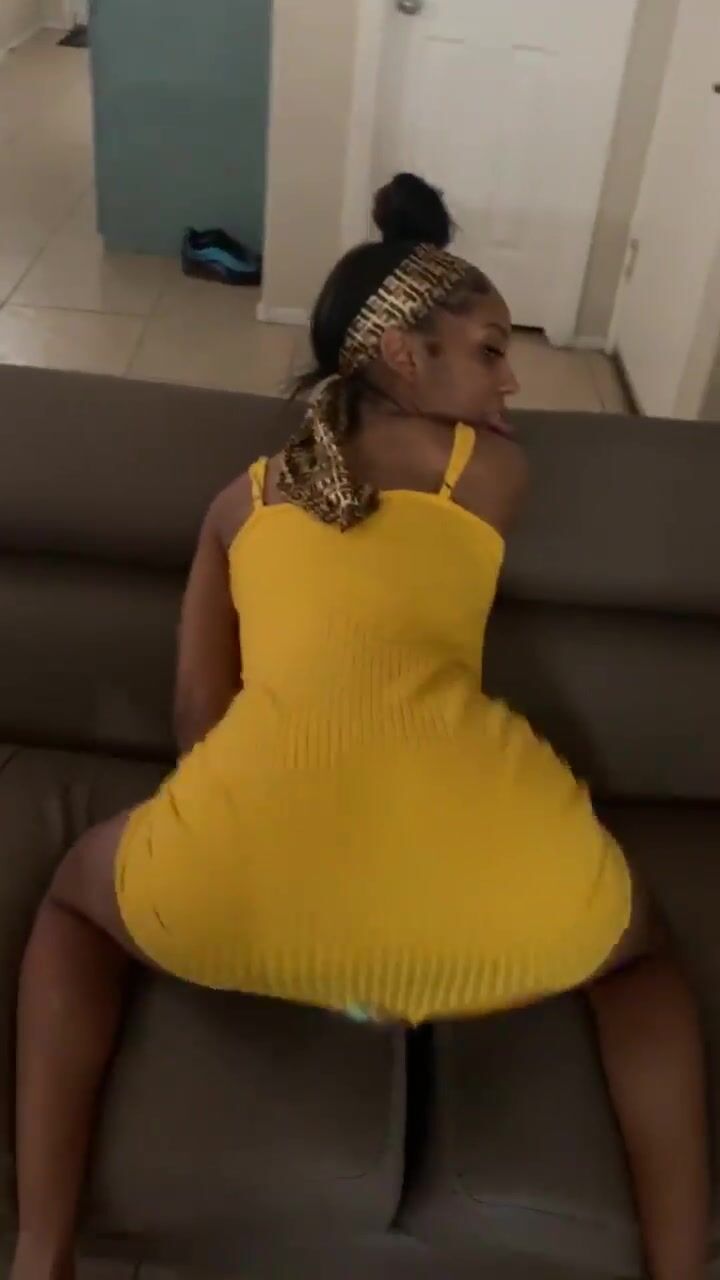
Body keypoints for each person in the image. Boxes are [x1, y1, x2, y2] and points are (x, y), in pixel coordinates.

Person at [12, 173, 708, 1280]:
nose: (512, 379)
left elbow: (199, 725)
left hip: (236, 905)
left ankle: (41, 1248)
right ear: (401, 356)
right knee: (642, 965)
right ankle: (681, 1266)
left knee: (71, 906)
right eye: (490, 350)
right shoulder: (491, 473)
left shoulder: (239, 502)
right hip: (503, 909)